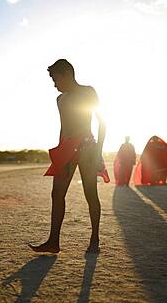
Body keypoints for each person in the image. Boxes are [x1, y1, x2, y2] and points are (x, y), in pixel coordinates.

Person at [28, 59, 109, 254]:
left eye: (56, 79)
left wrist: (98, 152)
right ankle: (53, 241)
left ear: (66, 74)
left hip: (88, 147)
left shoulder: (88, 91)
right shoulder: (60, 99)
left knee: (90, 194)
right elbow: (63, 128)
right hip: (67, 148)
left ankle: (95, 239)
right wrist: (59, 154)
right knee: (57, 193)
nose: (55, 85)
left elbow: (102, 122)